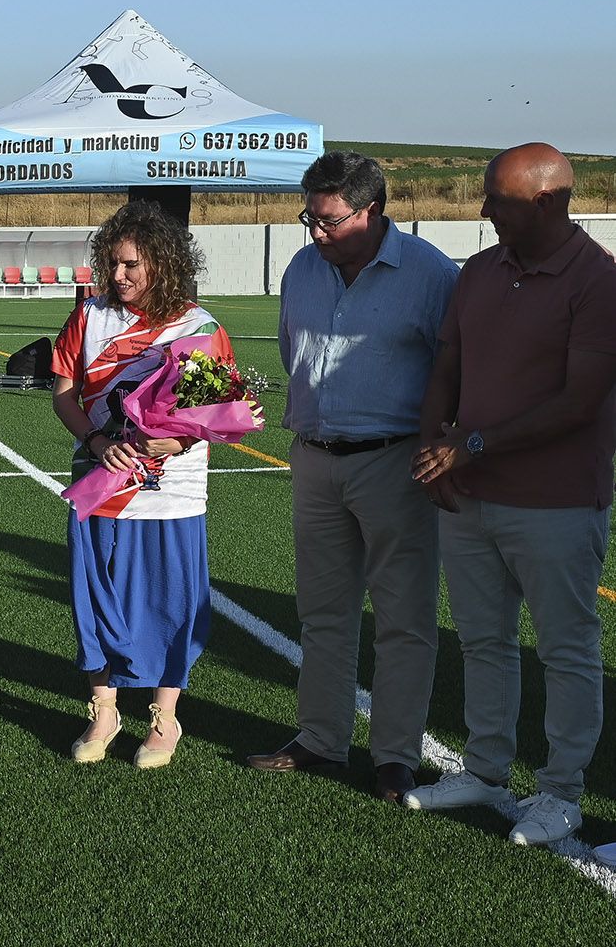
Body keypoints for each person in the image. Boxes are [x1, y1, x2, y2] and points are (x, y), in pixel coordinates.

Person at [407, 142, 616, 845]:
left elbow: (579, 401)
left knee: (565, 649)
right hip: (472, 496)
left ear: (549, 202)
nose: (482, 209)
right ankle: (486, 767)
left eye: (496, 199)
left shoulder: (596, 280)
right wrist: (432, 441)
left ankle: (560, 790)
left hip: (555, 500)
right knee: (484, 640)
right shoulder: (480, 270)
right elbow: (449, 360)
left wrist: (466, 445)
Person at [247, 152, 459, 803]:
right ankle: (319, 739)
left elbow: (454, 369)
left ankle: (394, 757)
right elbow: (294, 354)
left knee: (404, 619)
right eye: (309, 216)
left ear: (372, 212)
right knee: (323, 613)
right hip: (313, 457)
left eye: (329, 220)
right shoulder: (302, 268)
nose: (315, 231)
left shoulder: (429, 274)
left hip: (395, 462)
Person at [50, 200, 237, 769]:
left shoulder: (200, 327)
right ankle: (103, 709)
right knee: (95, 599)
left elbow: (217, 413)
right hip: (100, 485)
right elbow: (63, 392)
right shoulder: (89, 316)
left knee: (171, 604)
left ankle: (165, 716)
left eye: (130, 264)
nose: (117, 276)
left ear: (163, 262)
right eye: (110, 264)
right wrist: (97, 441)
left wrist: (176, 442)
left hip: (171, 493)